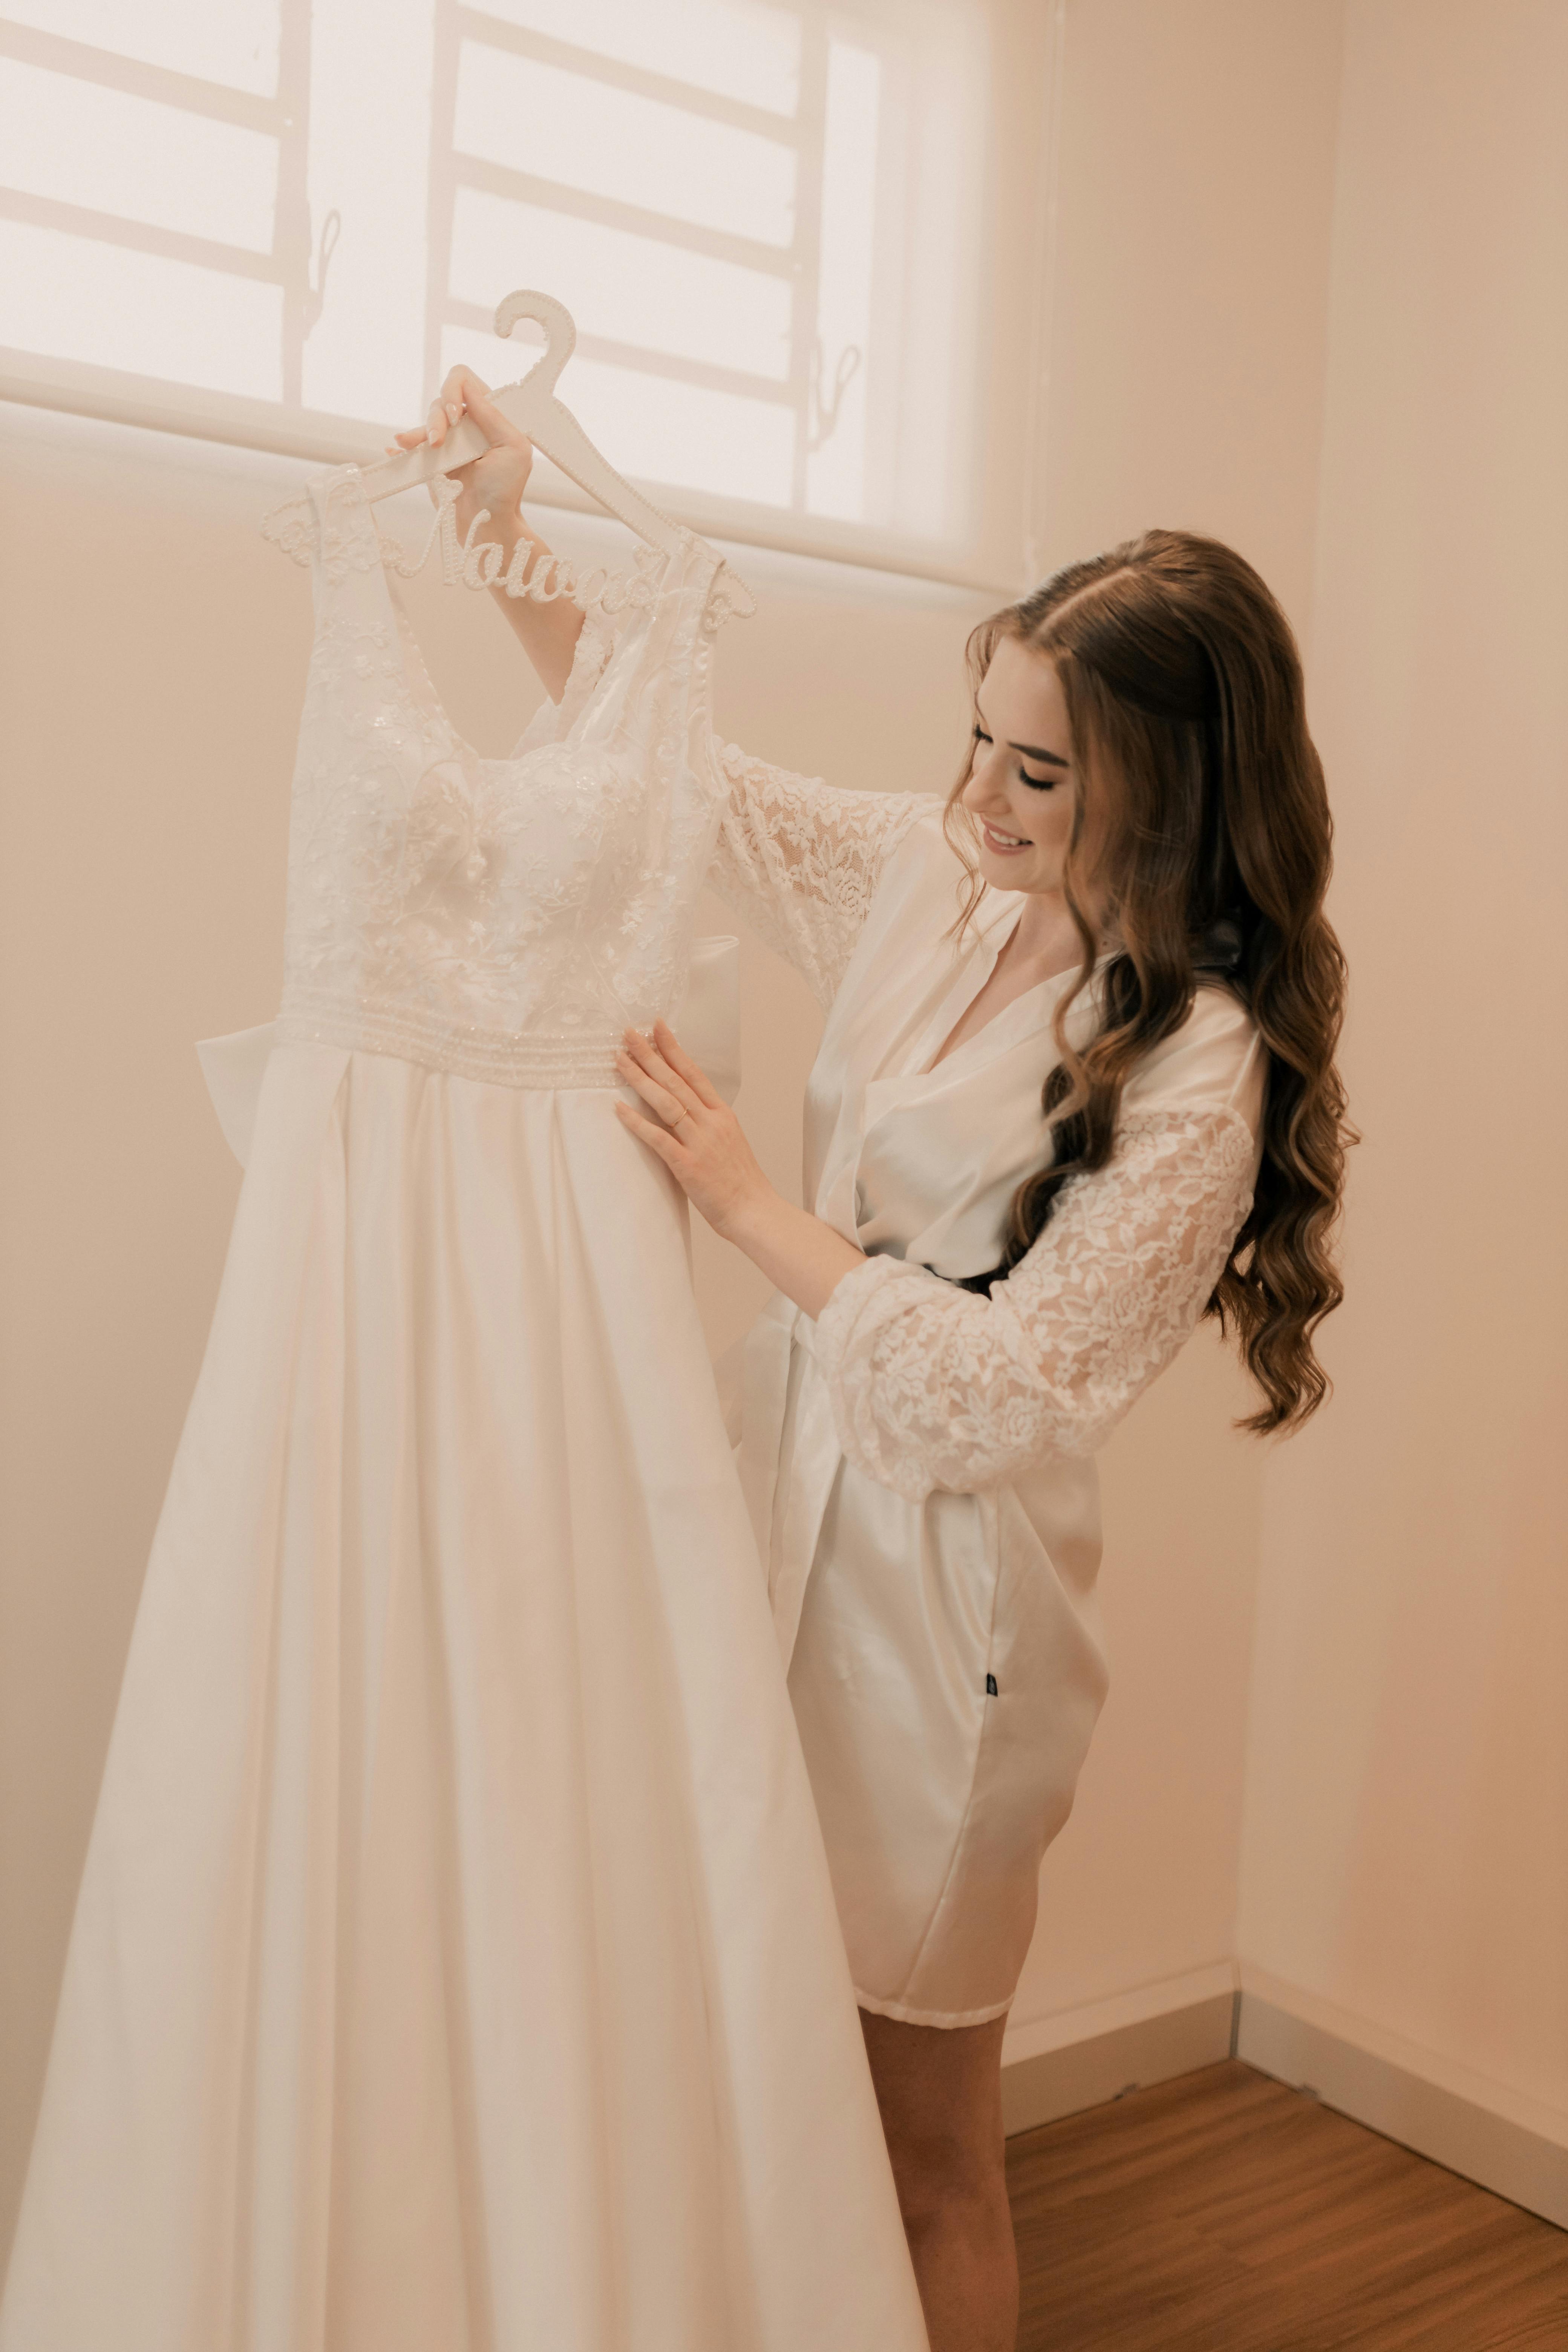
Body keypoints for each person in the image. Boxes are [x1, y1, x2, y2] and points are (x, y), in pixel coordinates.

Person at [396, 371, 1351, 2352]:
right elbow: (689, 783)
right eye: (978, 742)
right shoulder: (933, 883)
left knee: (923, 2137)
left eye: (1035, 775)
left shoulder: (1198, 1068)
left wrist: (755, 1208)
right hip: (772, 1511)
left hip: (954, 1627)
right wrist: (499, 516)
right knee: (748, 2057)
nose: (975, 802)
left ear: (1162, 792)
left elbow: (1003, 1398)